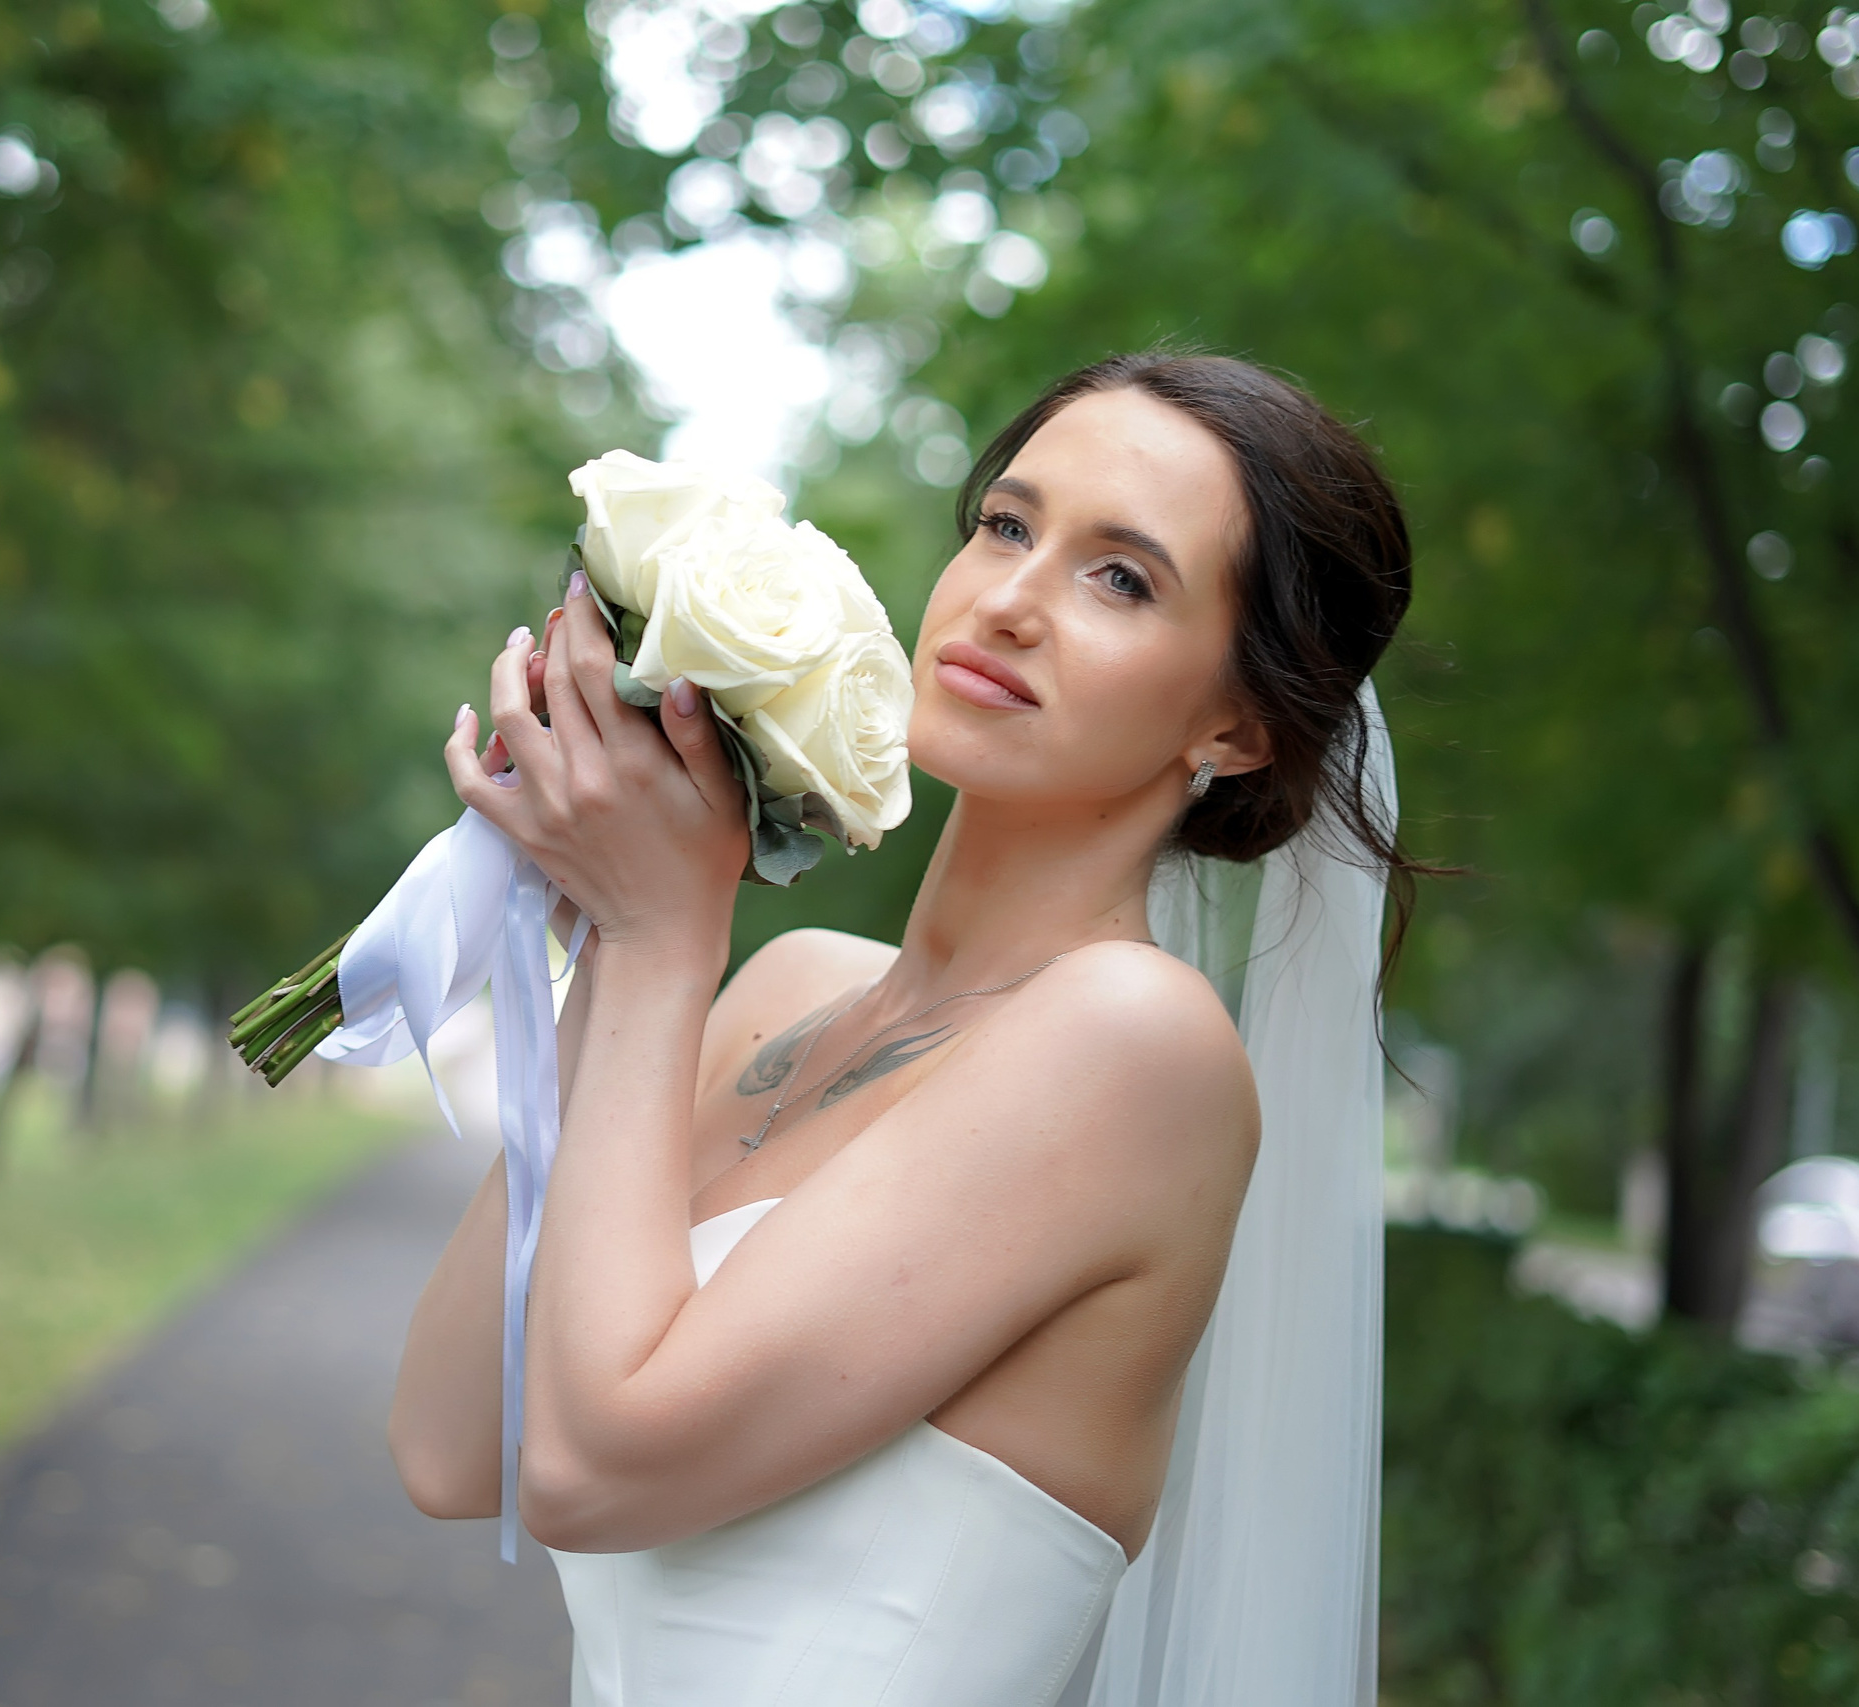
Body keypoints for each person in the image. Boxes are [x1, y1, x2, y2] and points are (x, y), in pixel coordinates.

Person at [389, 351, 1417, 1705]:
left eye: (1121, 577)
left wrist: (658, 943)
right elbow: (457, 1449)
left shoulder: (1133, 1041)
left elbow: (591, 1473)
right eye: (1007, 525)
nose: (1011, 600)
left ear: (1234, 727)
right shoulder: (783, 986)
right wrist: (599, 906)